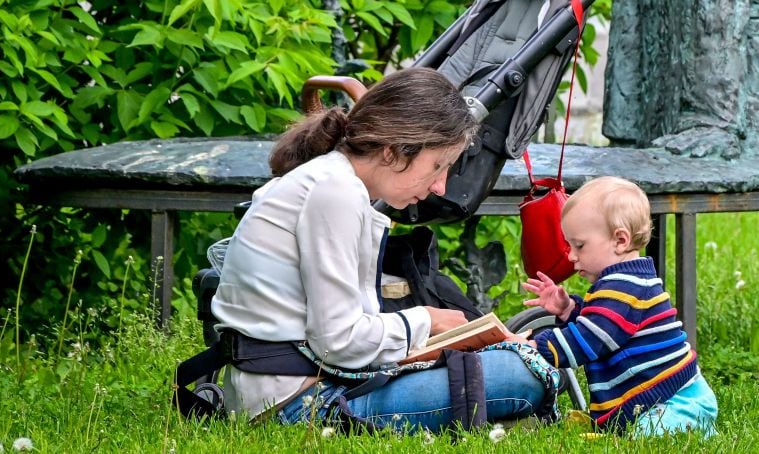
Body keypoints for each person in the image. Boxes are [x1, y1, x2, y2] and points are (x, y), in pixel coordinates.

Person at [210, 67, 549, 431]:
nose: (440, 186)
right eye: (438, 166)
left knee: (504, 364)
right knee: (521, 374)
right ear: (394, 151)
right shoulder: (335, 192)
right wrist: (427, 320)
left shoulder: (334, 182)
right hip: (297, 403)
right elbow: (337, 343)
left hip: (299, 385)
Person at [520, 176, 718, 436]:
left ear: (620, 241)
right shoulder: (620, 282)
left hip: (677, 401)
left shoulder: (625, 286)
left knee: (646, 435)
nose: (570, 255)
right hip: (660, 399)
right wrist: (569, 309)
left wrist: (537, 346)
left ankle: (684, 428)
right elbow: (605, 328)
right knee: (635, 429)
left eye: (579, 245)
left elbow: (593, 338)